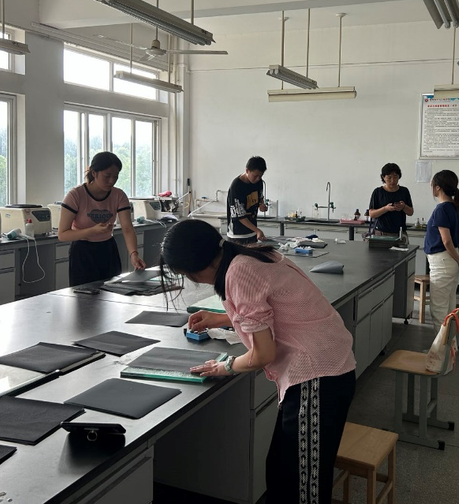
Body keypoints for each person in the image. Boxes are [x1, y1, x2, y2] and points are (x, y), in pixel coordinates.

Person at [160, 219, 356, 504]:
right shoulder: (246, 254)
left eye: (186, 274)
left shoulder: (239, 272)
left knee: (302, 487)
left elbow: (263, 354)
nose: (192, 280)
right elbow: (270, 308)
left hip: (319, 375)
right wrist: (222, 318)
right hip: (321, 366)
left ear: (196, 267)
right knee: (280, 474)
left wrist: (224, 366)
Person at [58, 151, 146, 286]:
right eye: (107, 176)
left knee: (113, 291)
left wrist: (134, 254)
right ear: (94, 173)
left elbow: (127, 228)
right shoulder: (76, 195)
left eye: (115, 176)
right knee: (84, 294)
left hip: (108, 249)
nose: (112, 181)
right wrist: (92, 231)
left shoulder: (119, 195)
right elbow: (63, 234)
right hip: (82, 251)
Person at [423, 170, 459, 331]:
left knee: (438, 310)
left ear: (437, 187)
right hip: (450, 261)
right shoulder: (454, 208)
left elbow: (447, 240)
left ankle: (441, 347)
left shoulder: (441, 209)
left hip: (442, 262)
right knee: (449, 308)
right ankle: (451, 345)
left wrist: (458, 258)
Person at [226, 155, 268, 243]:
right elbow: (240, 216)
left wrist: (261, 204)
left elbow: (260, 197)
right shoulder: (236, 187)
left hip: (252, 231)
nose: (258, 179)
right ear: (247, 171)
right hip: (238, 235)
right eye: (255, 176)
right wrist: (257, 230)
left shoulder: (259, 182)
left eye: (260, 176)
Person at [368, 162, 414, 239]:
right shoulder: (378, 192)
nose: (392, 181)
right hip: (380, 233)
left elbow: (410, 212)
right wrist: (386, 209)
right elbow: (372, 214)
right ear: (383, 177)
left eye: (395, 177)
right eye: (389, 177)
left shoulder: (404, 191)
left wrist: (403, 207)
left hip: (400, 233)